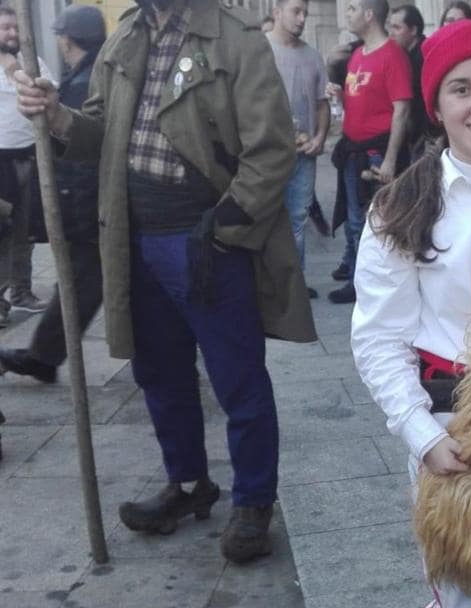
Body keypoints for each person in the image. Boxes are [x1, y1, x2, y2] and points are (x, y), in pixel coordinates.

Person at [14, 0, 315, 563]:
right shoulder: (126, 35)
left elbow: (272, 149)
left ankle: (253, 502)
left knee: (237, 380)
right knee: (158, 373)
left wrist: (221, 231)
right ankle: (188, 485)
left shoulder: (236, 37)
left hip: (207, 242)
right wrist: (56, 116)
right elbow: (100, 134)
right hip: (133, 239)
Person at [350, 18, 471, 608]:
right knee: (468, 593)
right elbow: (380, 338)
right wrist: (422, 434)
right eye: (461, 89)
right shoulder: (401, 206)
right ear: (437, 105)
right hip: (456, 431)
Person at [0, 4, 105, 384]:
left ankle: (43, 357)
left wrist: (73, 217)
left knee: (81, 284)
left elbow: (81, 160)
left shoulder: (82, 83)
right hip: (92, 207)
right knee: (84, 284)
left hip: (90, 209)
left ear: (67, 39)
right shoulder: (90, 74)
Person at [328, 0, 411, 304]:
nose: (346, 14)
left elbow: (401, 111)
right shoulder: (357, 55)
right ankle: (357, 281)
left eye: (351, 8)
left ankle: (375, 286)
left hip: (376, 152)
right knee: (354, 222)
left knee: (376, 224)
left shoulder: (393, 56)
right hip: (352, 150)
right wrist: (338, 95)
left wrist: (389, 160)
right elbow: (358, 102)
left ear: (368, 14)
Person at [267, 0, 329, 298]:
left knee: (297, 219)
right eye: (296, 11)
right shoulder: (259, 51)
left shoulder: (313, 57)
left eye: (305, 12)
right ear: (277, 12)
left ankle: (293, 287)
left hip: (303, 155)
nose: (302, 18)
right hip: (266, 154)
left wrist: (320, 137)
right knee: (266, 218)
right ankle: (268, 284)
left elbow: (322, 103)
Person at [0, 4, 53, 327]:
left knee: (25, 231)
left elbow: (49, 92)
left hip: (30, 156)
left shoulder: (33, 62)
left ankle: (21, 291)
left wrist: (16, 70)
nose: (12, 33)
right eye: (5, 28)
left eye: (16, 28)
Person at [388, 4, 428, 158]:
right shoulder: (404, 55)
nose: (391, 34)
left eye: (397, 28)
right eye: (390, 27)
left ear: (413, 30)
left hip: (426, 136)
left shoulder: (425, 54)